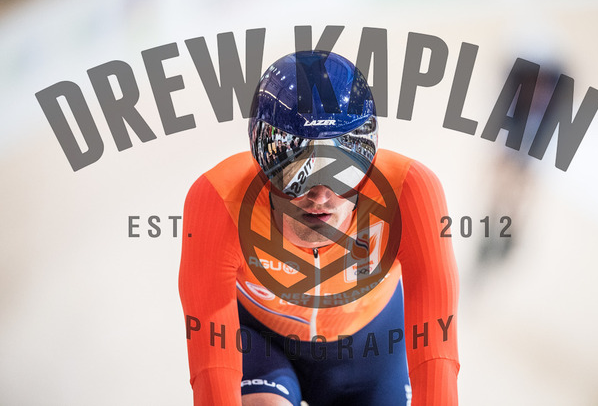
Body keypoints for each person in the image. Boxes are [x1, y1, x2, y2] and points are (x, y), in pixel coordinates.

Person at [179, 51, 459, 405]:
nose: (320, 195)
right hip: (261, 347)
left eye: (343, 169)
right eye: (296, 170)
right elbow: (212, 368)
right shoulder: (218, 199)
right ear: (261, 158)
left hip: (371, 357)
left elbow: (436, 358)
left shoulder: (410, 192)